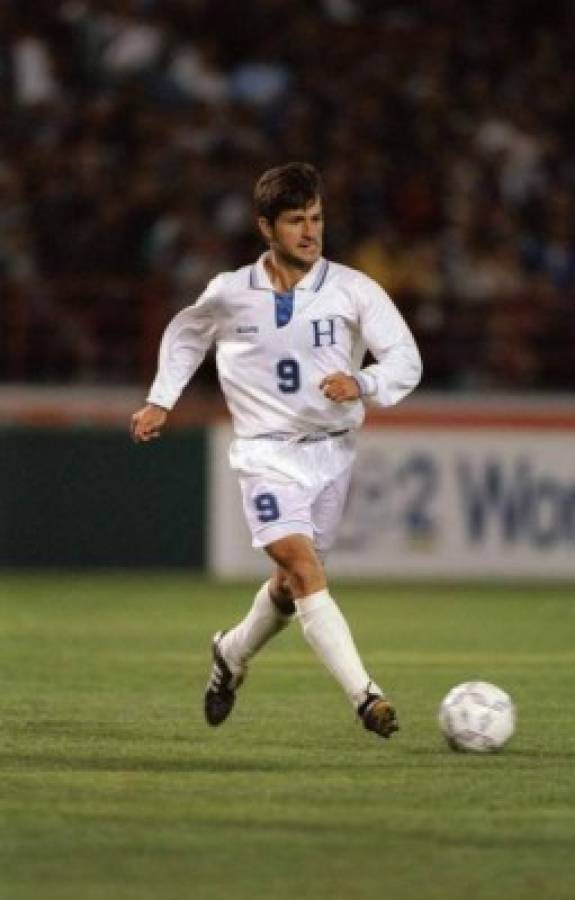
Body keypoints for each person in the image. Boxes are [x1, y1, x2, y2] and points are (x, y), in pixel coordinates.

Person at [131, 162, 422, 739]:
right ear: (267, 228)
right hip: (264, 455)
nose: (310, 232)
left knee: (290, 587)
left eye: (316, 219)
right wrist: (161, 398)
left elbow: (406, 360)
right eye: (296, 221)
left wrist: (361, 382)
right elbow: (187, 334)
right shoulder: (230, 292)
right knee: (303, 566)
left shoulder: (353, 289)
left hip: (332, 454)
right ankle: (367, 697)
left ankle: (230, 655)